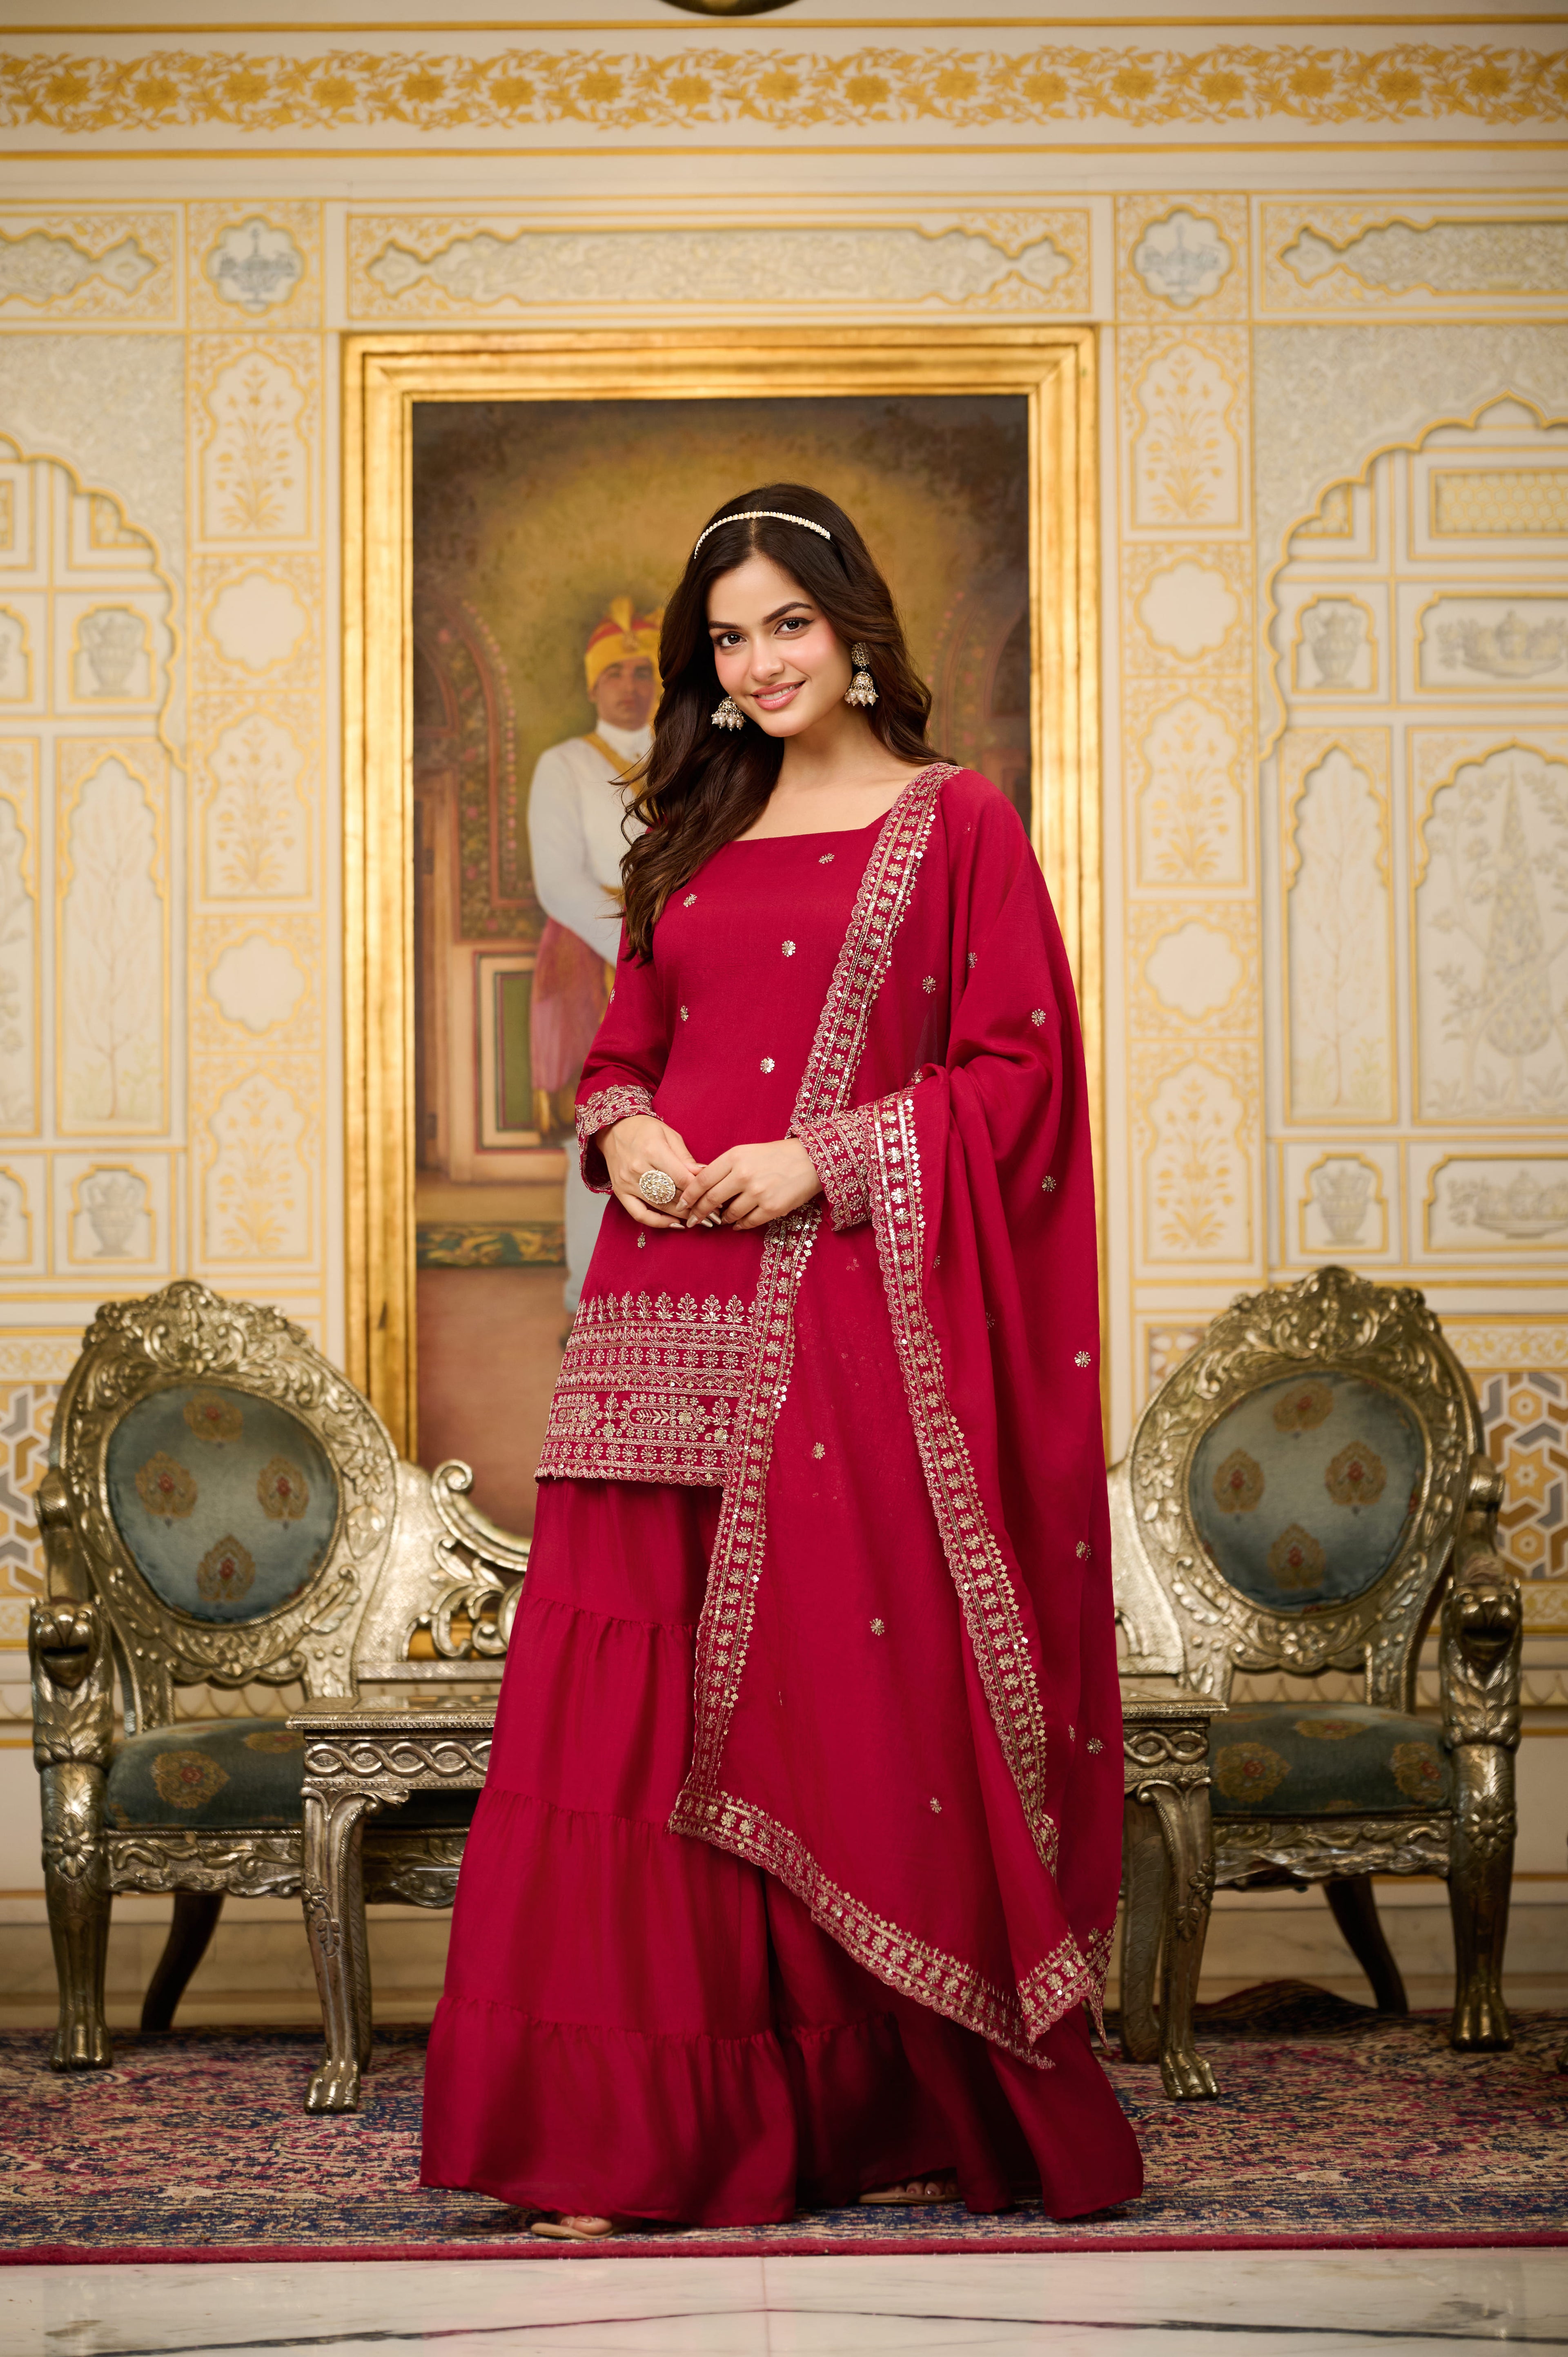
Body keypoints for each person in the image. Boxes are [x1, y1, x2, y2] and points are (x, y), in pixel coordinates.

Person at [422, 485, 1142, 2234]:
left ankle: (838, 2100)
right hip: (660, 1318)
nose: (756, 666)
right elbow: (626, 1047)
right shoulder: (690, 817)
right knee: (630, 1735)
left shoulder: (954, 822)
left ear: (856, 626)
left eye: (786, 628)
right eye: (726, 641)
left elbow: (1015, 1077)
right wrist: (628, 1130)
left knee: (833, 1705)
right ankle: (615, 2137)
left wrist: (829, 1157)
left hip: (836, 1330)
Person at [527, 598, 660, 1313]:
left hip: (678, 951)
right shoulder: (566, 766)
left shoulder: (686, 758)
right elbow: (559, 881)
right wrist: (638, 947)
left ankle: (662, 1296)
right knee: (598, 1129)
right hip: (590, 954)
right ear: (592, 685)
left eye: (643, 672)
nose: (630, 686)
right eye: (616, 673)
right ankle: (589, 1302)